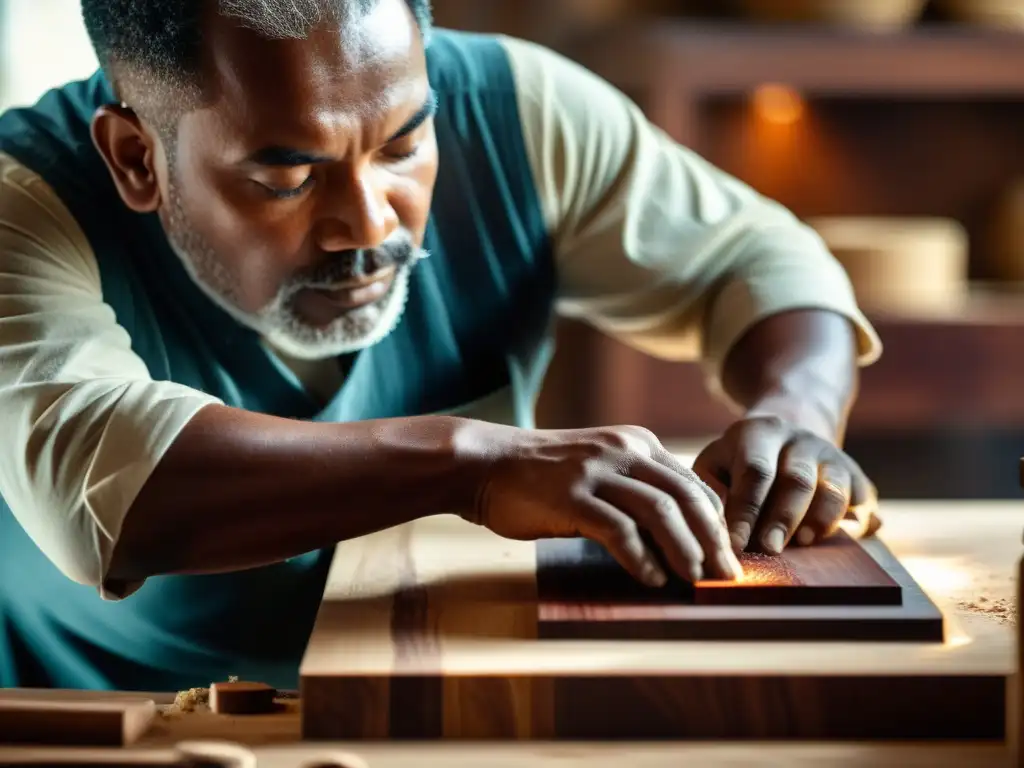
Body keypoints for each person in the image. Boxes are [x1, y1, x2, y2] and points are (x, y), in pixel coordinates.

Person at [0, 0, 882, 691]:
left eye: (404, 143)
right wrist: (479, 464)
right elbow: (114, 481)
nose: (369, 223)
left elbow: (757, 261)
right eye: (287, 175)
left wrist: (795, 413)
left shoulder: (521, 110)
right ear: (136, 159)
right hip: (110, 719)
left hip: (446, 695)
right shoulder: (22, 202)